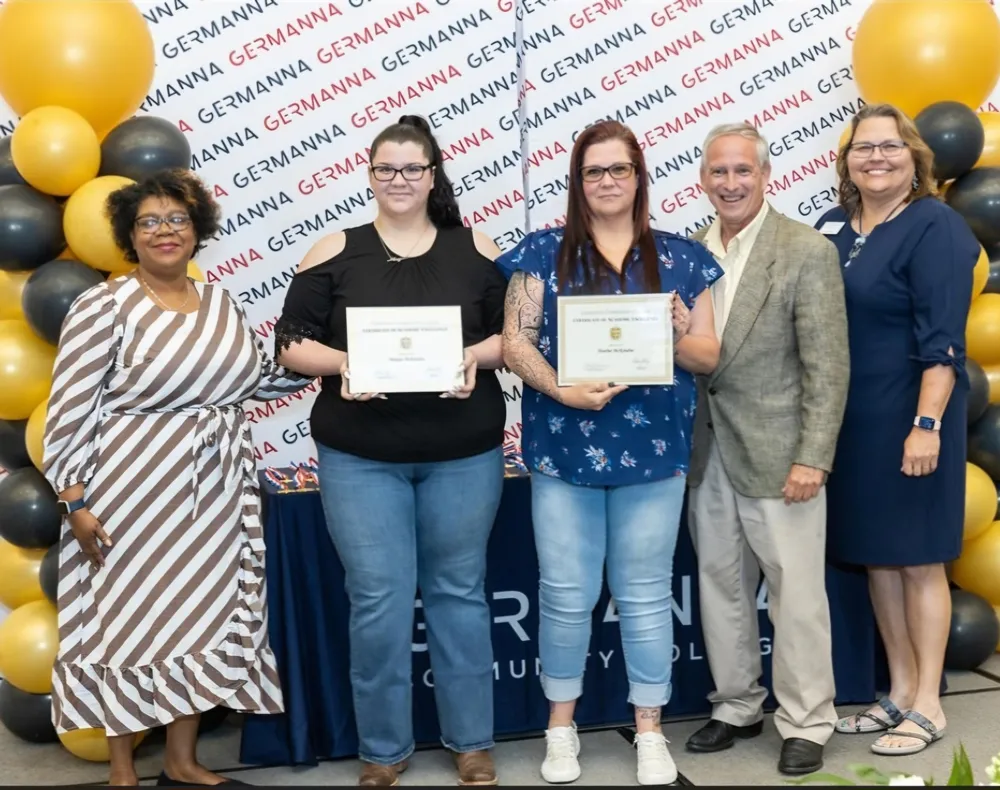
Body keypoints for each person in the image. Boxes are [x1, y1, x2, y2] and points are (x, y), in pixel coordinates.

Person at [42, 169, 311, 787]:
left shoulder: (220, 301)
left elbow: (253, 383)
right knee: (128, 620)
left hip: (214, 495)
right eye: (149, 222)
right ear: (129, 237)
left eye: (177, 220)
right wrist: (74, 499)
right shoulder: (103, 305)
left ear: (198, 232)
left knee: (198, 616)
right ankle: (120, 769)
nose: (165, 232)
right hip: (129, 489)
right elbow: (68, 407)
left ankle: (182, 761)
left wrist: (331, 362)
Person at [273, 115, 508, 787]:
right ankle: (382, 750)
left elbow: (514, 337)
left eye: (413, 168)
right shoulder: (332, 250)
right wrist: (347, 363)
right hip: (360, 457)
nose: (400, 180)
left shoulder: (476, 246)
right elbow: (290, 343)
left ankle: (472, 742)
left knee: (458, 593)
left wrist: (472, 354)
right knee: (377, 599)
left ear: (432, 175)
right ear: (370, 175)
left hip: (464, 454)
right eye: (387, 169)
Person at [497, 119, 721, 786]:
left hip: (654, 454)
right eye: (594, 171)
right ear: (578, 180)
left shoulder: (683, 257)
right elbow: (514, 343)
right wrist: (561, 389)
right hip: (564, 450)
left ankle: (649, 729)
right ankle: (559, 727)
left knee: (646, 594)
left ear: (639, 176)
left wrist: (681, 331)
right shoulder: (542, 252)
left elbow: (708, 356)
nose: (607, 181)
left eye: (619, 169)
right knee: (566, 595)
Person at [683, 122, 850, 775]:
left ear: (765, 175)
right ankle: (735, 706)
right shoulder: (689, 250)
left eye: (742, 171)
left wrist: (815, 455)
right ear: (702, 180)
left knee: (796, 592)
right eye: (718, 173)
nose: (730, 184)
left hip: (784, 453)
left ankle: (807, 718)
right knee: (720, 583)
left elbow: (828, 366)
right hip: (706, 451)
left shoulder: (805, 249)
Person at [814, 103, 977, 756]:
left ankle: (930, 703)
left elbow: (944, 344)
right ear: (847, 161)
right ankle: (897, 692)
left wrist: (926, 425)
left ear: (915, 158)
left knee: (918, 560)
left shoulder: (935, 225)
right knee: (880, 558)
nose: (875, 157)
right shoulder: (834, 227)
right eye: (863, 148)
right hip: (853, 423)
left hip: (913, 416)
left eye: (889, 147)